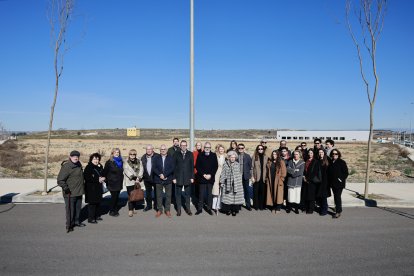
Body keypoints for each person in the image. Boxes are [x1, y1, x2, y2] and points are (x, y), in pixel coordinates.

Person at [57, 150, 85, 233]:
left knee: (77, 209)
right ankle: (69, 225)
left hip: (79, 191)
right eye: (74, 156)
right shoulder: (66, 167)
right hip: (70, 193)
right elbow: (60, 180)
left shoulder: (79, 164)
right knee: (70, 210)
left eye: (77, 156)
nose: (76, 158)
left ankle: (76, 221)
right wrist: (65, 188)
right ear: (70, 157)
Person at [195, 142, 218, 215]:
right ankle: (199, 209)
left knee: (209, 195)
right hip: (202, 178)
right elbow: (197, 166)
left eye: (208, 147)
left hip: (210, 178)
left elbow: (215, 166)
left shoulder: (214, 155)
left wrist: (210, 175)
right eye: (205, 147)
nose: (207, 148)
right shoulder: (200, 155)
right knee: (201, 194)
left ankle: (209, 208)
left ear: (210, 148)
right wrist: (204, 175)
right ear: (204, 148)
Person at [220, 151, 245, 216]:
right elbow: (223, 173)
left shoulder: (237, 164)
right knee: (228, 197)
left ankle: (234, 210)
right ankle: (228, 210)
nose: (233, 158)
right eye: (231, 157)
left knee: (235, 197)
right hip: (227, 183)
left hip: (236, 184)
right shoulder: (225, 164)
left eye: (234, 157)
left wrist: (239, 183)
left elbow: (239, 174)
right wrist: (222, 182)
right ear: (229, 157)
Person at [153, 145, 175, 218]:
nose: (163, 150)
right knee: (159, 196)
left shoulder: (170, 158)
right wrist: (160, 174)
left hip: (168, 179)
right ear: (160, 150)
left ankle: (167, 210)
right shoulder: (156, 158)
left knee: (168, 196)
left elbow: (172, 168)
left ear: (166, 150)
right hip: (158, 179)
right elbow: (154, 168)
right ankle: (159, 210)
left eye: (164, 149)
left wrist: (165, 175)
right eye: (161, 149)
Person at [173, 140, 194, 216]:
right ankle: (179, 210)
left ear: (186, 146)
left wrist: (192, 177)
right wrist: (174, 178)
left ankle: (188, 209)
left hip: (188, 178)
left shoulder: (190, 154)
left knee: (187, 195)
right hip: (178, 178)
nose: (183, 147)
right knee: (178, 195)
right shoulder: (176, 154)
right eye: (182, 145)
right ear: (180, 146)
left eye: (185, 145)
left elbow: (192, 166)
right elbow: (174, 167)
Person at [84, 152, 105, 224]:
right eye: (94, 159)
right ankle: (91, 218)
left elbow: (103, 173)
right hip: (91, 189)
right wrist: (97, 180)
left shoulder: (100, 166)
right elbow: (87, 178)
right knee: (92, 204)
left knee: (98, 202)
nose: (96, 160)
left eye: (97, 159)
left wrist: (103, 178)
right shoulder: (88, 167)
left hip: (98, 188)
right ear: (91, 160)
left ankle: (97, 215)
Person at [102, 148, 124, 217]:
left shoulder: (121, 161)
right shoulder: (109, 162)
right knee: (114, 197)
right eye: (115, 152)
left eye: (118, 152)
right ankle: (112, 210)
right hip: (112, 183)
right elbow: (104, 172)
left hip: (119, 182)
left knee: (117, 197)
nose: (117, 153)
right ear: (112, 154)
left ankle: (115, 209)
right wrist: (106, 181)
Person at [328, 149, 349, 219]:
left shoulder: (341, 162)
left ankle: (338, 212)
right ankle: (338, 208)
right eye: (333, 154)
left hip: (339, 184)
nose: (334, 155)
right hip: (333, 183)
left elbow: (346, 173)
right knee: (336, 196)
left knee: (337, 197)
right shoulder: (331, 162)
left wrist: (340, 179)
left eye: (336, 154)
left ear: (338, 154)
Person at [123, 149, 144, 217]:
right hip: (130, 181)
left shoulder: (139, 161)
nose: (132, 156)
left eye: (134, 154)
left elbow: (141, 169)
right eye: (131, 154)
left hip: (137, 181)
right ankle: (130, 210)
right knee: (131, 196)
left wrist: (139, 177)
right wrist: (135, 178)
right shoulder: (126, 162)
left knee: (136, 195)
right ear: (129, 155)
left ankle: (134, 208)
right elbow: (126, 171)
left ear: (135, 155)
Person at [141, 145, 159, 212]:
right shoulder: (143, 157)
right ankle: (148, 206)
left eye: (150, 149)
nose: (148, 150)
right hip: (147, 178)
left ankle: (156, 206)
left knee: (156, 193)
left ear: (152, 149)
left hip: (155, 178)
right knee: (148, 193)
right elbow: (141, 168)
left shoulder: (157, 156)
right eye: (147, 149)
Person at [251, 145, 268, 210]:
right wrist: (252, 176)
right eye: (259, 149)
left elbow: (267, 167)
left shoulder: (266, 157)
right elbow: (252, 168)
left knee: (262, 193)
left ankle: (262, 206)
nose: (260, 150)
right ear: (257, 150)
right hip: (256, 177)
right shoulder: (254, 157)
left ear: (263, 150)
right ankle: (256, 206)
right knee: (256, 193)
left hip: (263, 178)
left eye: (261, 149)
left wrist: (267, 177)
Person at [303, 149, 320, 214]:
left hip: (312, 180)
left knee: (311, 196)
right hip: (305, 180)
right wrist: (304, 177)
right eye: (309, 153)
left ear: (313, 154)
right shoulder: (306, 161)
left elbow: (315, 172)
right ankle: (306, 207)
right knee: (306, 194)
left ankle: (311, 209)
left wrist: (308, 179)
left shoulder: (316, 161)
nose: (310, 154)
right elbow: (304, 170)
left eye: (311, 153)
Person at [237, 143, 253, 211]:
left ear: (244, 149)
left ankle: (248, 205)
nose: (241, 149)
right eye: (239, 148)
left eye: (242, 148)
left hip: (245, 176)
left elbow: (251, 167)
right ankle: (238, 205)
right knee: (238, 191)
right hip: (238, 176)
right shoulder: (236, 156)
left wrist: (251, 176)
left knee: (246, 190)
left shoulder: (247, 156)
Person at [316, 149, 331, 216]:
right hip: (319, 180)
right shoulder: (317, 160)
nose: (320, 153)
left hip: (326, 181)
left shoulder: (327, 160)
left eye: (322, 152)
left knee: (324, 196)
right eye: (319, 152)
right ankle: (322, 207)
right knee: (320, 196)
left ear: (324, 153)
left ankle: (324, 210)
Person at [212, 144, 226, 213]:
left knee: (222, 190)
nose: (221, 150)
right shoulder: (215, 156)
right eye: (220, 149)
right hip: (216, 173)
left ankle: (220, 206)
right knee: (216, 190)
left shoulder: (226, 156)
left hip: (223, 173)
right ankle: (214, 206)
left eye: (222, 149)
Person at [192, 142, 203, 209]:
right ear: (196, 146)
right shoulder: (193, 153)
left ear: (201, 146)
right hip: (195, 172)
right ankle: (196, 200)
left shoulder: (203, 152)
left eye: (199, 145)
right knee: (196, 187)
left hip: (202, 173)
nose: (198, 146)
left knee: (201, 187)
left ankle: (201, 200)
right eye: (197, 145)